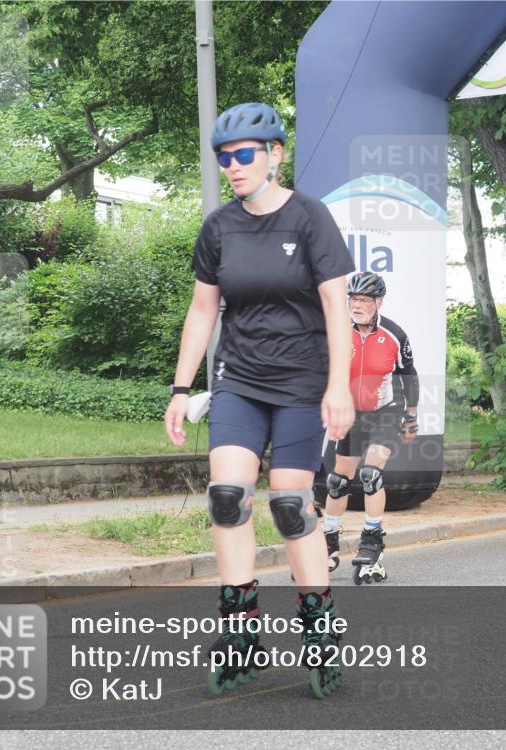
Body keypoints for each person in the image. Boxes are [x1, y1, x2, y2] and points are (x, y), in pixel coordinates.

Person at [164, 102, 356, 698]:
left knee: (292, 506)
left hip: (302, 383)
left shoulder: (310, 218)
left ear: (276, 153)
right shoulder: (220, 226)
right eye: (224, 157)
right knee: (227, 496)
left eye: (245, 154)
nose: (233, 166)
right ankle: (240, 627)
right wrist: (180, 387)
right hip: (239, 379)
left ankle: (319, 629)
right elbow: (203, 310)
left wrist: (339, 385)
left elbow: (335, 307)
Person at [321, 271, 420, 584]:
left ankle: (372, 542)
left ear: (379, 302)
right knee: (337, 481)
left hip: (384, 413)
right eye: (352, 299)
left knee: (370, 474)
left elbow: (409, 374)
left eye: (364, 299)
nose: (357, 305)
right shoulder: (338, 332)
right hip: (351, 414)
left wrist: (411, 416)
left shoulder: (395, 335)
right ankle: (328, 544)